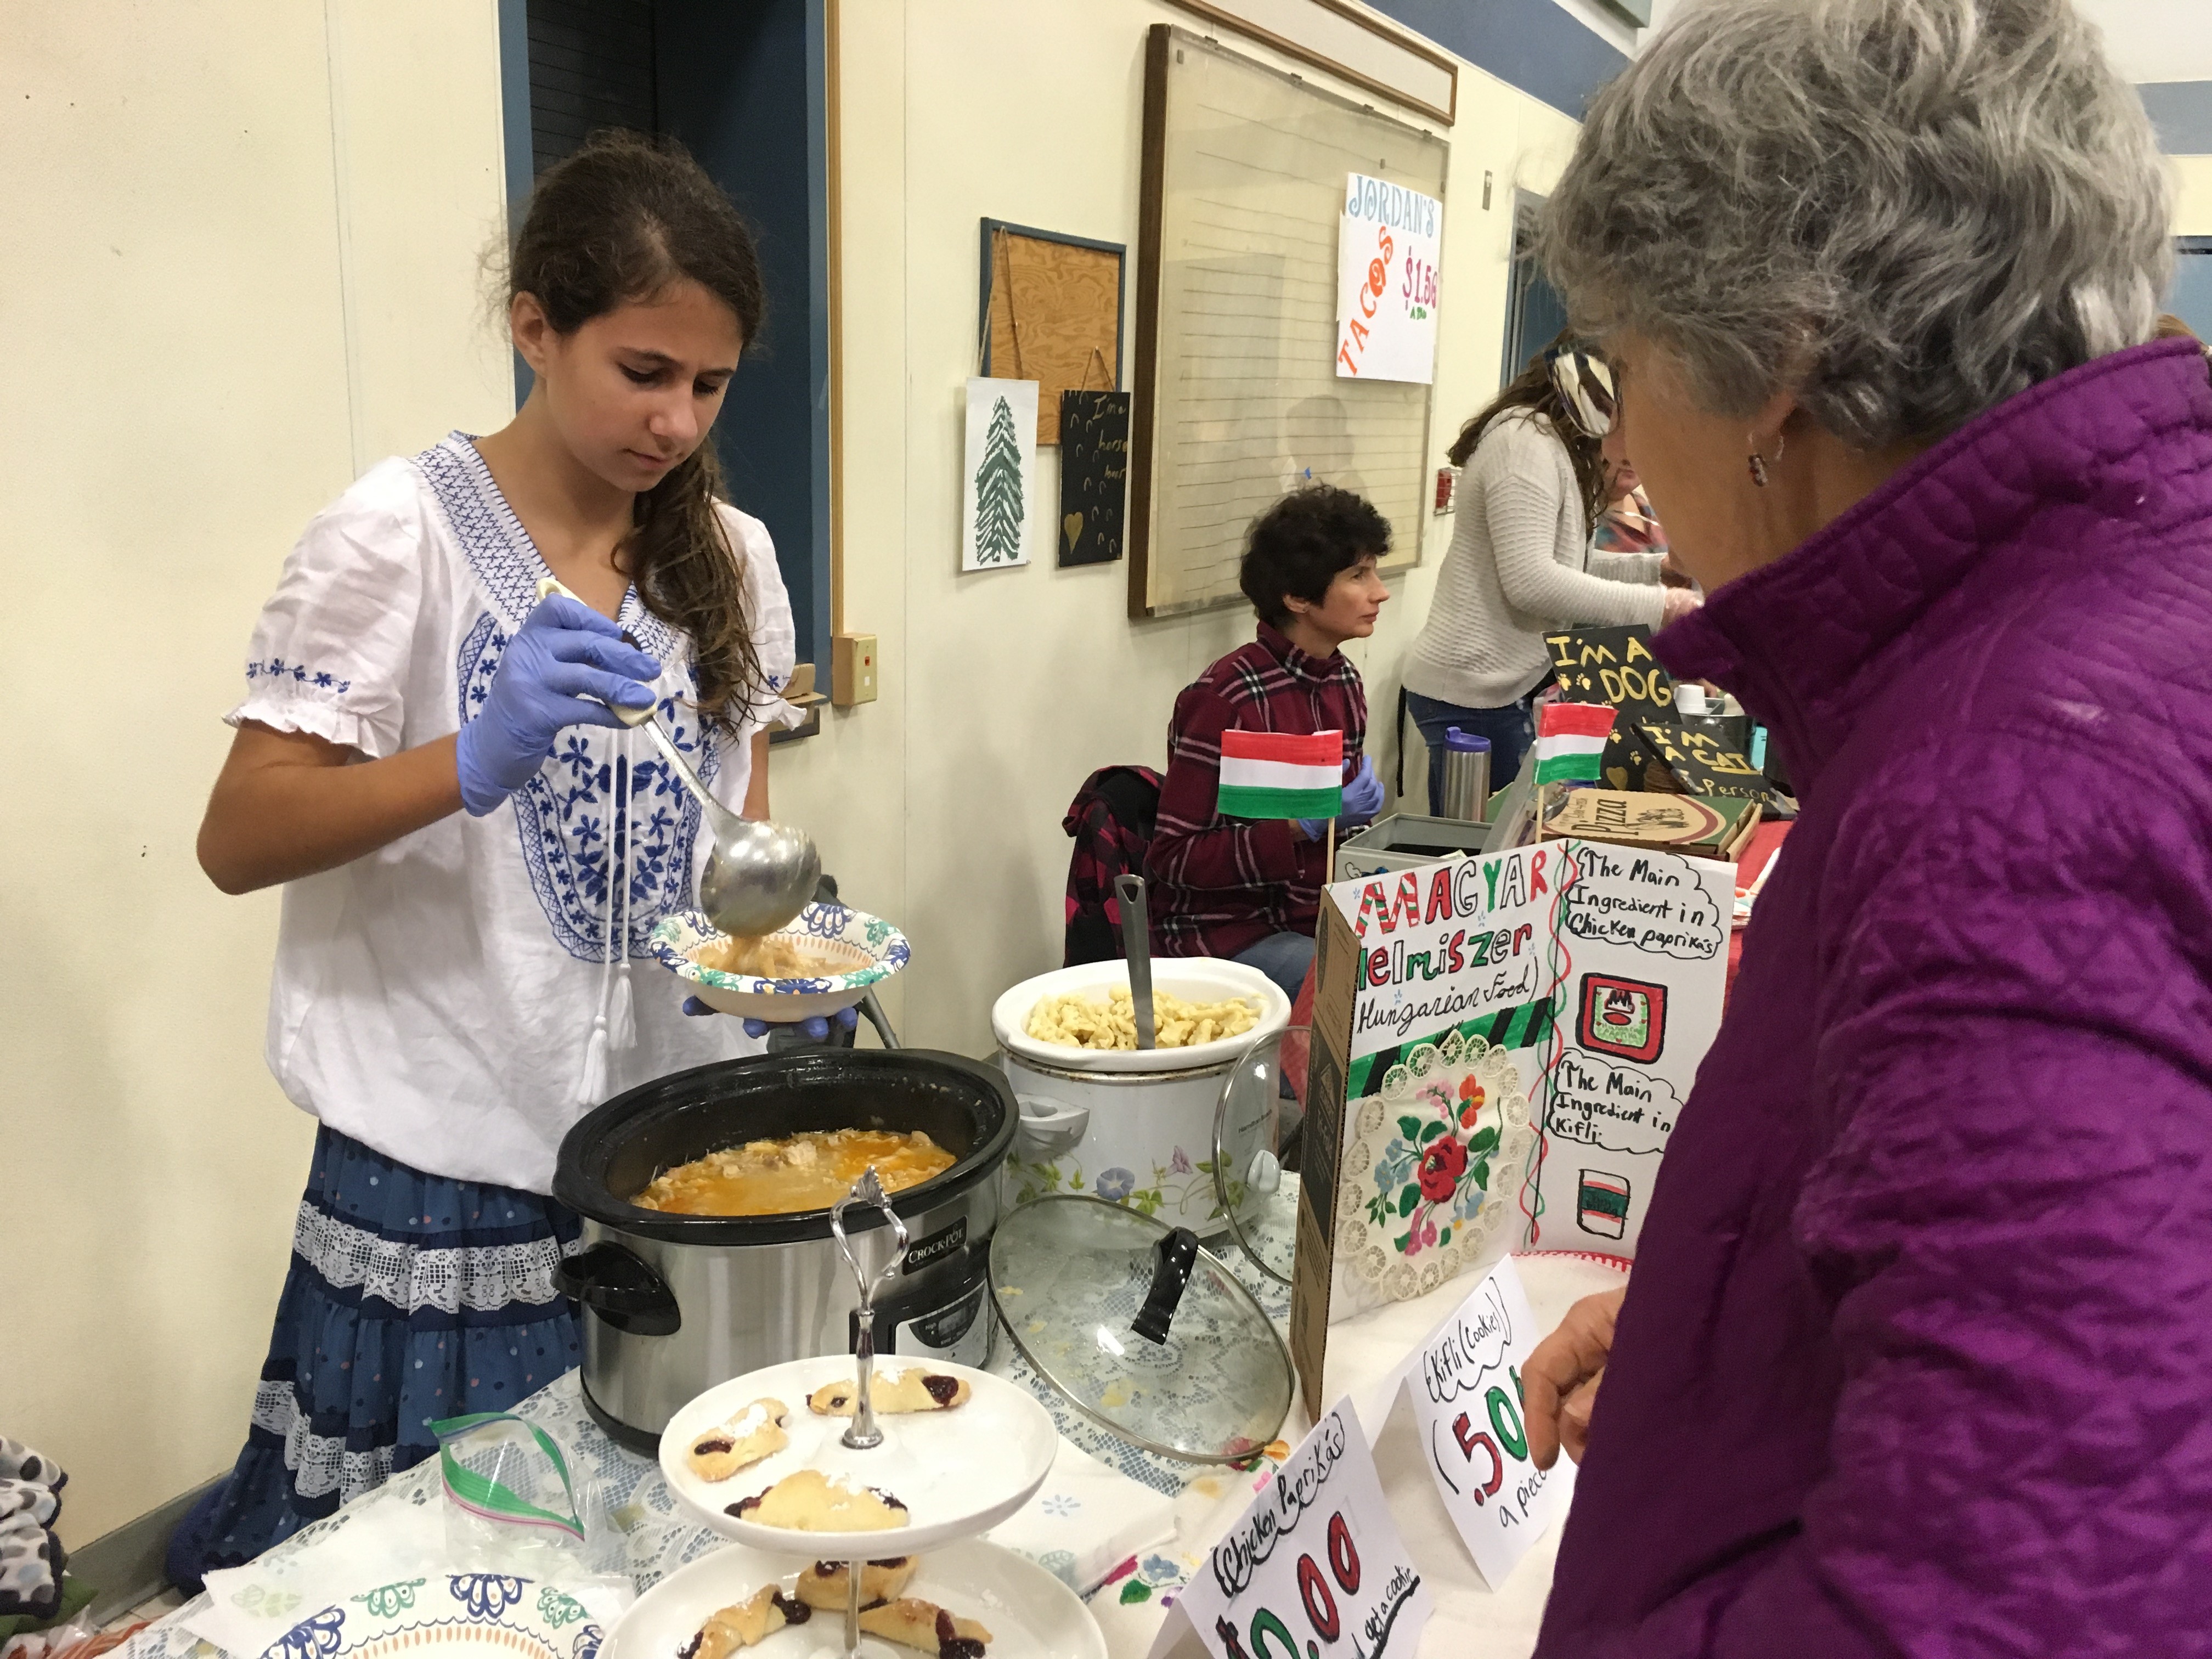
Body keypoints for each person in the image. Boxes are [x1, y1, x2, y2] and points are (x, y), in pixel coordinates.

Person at [1518, 1, 2212, 1651]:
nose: (1619, 441)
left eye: (1629, 368)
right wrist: (1745, 1325)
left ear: (1781, 364)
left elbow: (2031, 1599)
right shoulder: (2117, 613)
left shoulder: (2009, 784)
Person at [172, 132, 825, 1584]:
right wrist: (466, 762)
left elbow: (736, 847)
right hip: (442, 1164)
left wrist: (781, 963)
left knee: (643, 1554)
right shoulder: (397, 534)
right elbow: (239, 835)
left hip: (654, 1156)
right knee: (440, 1580)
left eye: (708, 385)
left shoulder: (734, 555)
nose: (675, 420)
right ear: (536, 325)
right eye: (642, 371)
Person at [1401, 337, 1699, 813]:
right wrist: (1664, 608)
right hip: (1472, 693)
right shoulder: (1524, 444)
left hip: (1510, 686)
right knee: (1488, 858)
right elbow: (1532, 583)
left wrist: (1655, 572)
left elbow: (1565, 567)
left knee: (1526, 836)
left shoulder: (1557, 448)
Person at [1147, 486, 1388, 1003]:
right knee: (1357, 988)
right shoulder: (1223, 699)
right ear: (1298, 597)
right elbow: (1173, 858)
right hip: (1224, 932)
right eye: (1358, 576)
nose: (1380, 592)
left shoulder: (1343, 679)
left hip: (1311, 915)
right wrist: (1301, 828)